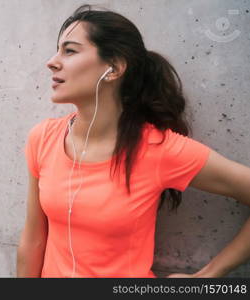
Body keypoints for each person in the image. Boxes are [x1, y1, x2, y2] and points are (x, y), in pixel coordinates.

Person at [16, 4, 250, 278]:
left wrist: (208, 275)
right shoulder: (43, 138)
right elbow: (32, 242)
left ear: (114, 68)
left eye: (69, 50)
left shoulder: (157, 148)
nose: (52, 61)